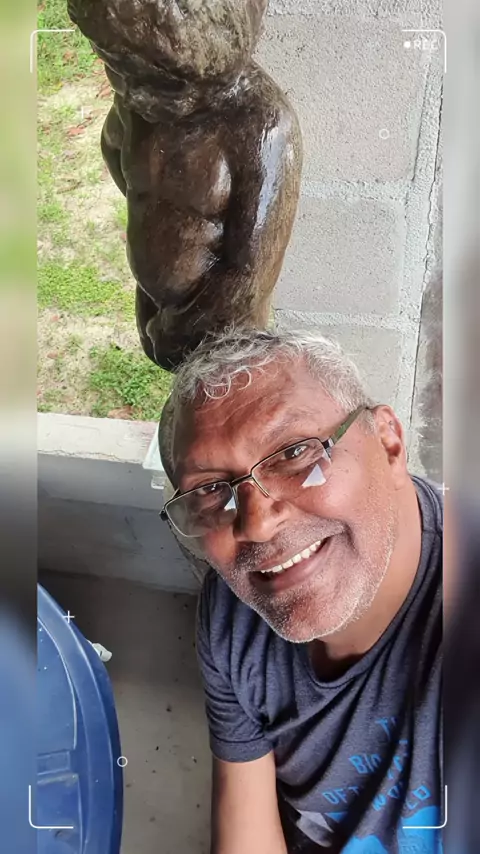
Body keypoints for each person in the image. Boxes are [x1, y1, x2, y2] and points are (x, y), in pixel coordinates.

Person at [159, 328, 443, 853]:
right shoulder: (232, 614)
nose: (256, 523)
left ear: (389, 444)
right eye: (211, 490)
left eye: (294, 452)